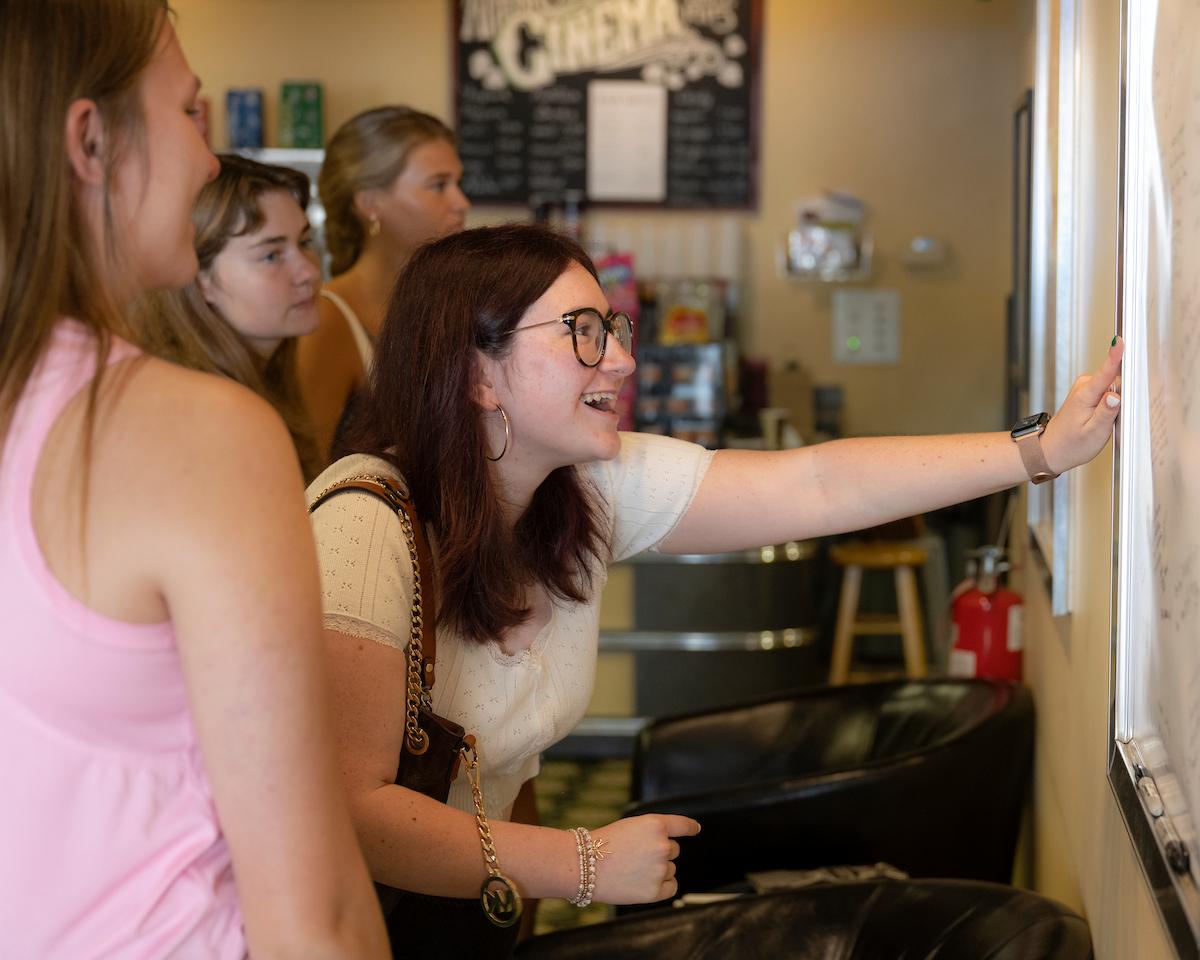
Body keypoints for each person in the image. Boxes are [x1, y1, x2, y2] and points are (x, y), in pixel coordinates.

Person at [306, 221, 1124, 954]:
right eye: (582, 333)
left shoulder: (583, 488)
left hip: (475, 917)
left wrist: (1042, 450)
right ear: (477, 374)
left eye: (614, 328)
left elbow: (815, 487)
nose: (622, 358)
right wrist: (582, 861)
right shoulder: (365, 525)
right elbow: (354, 809)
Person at [0, 2, 387, 956]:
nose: (210, 161)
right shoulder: (197, 433)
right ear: (91, 141)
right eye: (190, 115)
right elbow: (318, 917)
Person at [297, 105, 470, 464]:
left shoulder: (444, 306)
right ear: (369, 203)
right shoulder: (328, 319)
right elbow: (304, 474)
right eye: (438, 185)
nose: (461, 203)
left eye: (458, 183)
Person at [144, 153, 323, 480]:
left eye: (306, 242)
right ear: (201, 279)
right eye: (271, 256)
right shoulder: (196, 409)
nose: (309, 272)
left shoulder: (265, 374)